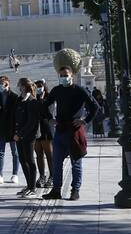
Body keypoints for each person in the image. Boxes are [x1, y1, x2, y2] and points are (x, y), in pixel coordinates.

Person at [42, 65, 101, 201]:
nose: (64, 77)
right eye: (61, 75)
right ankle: (56, 190)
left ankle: (75, 190)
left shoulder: (79, 90)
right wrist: (50, 118)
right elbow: (45, 105)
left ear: (72, 76)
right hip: (60, 130)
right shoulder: (57, 90)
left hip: (74, 130)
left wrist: (85, 121)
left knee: (76, 162)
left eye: (66, 75)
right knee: (56, 162)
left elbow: (95, 107)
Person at [13, 78, 44, 197]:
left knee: (30, 160)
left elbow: (32, 122)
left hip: (29, 135)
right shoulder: (20, 99)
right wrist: (15, 133)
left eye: (19, 85)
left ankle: (33, 187)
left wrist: (20, 134)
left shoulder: (32, 101)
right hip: (19, 135)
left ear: (24, 87)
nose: (18, 87)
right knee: (22, 159)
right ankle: (29, 185)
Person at [0, 75, 20, 184]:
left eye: (1, 83)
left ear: (7, 84)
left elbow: (17, 113)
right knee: (0, 152)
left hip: (12, 128)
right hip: (1, 128)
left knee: (15, 152)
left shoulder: (15, 97)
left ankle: (15, 174)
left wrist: (17, 129)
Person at [32, 80, 54, 188]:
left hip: (46, 128)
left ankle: (52, 176)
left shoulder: (49, 98)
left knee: (49, 154)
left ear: (44, 87)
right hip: (36, 129)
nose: (39, 88)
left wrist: (41, 100)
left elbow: (49, 114)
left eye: (40, 86)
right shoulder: (33, 98)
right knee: (39, 154)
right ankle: (42, 176)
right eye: (36, 87)